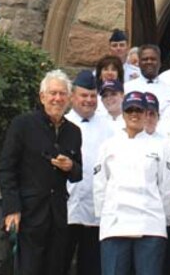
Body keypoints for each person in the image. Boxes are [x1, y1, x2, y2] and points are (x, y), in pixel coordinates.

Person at [0, 70, 82, 275]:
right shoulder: (23, 124)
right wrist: (12, 209)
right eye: (53, 93)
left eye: (62, 94)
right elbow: (6, 169)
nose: (57, 98)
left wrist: (70, 166)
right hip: (28, 215)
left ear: (69, 99)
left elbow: (78, 173)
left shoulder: (74, 132)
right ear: (42, 96)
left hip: (58, 217)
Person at [94, 91, 170, 275]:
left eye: (139, 110)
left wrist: (166, 217)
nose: (134, 114)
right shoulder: (108, 146)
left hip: (150, 224)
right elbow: (100, 185)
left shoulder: (161, 146)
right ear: (123, 114)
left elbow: (166, 186)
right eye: (130, 110)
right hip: (115, 224)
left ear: (146, 114)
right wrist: (103, 216)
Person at [65, 70, 113, 275]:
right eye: (83, 95)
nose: (89, 100)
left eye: (93, 96)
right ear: (72, 97)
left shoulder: (109, 127)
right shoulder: (62, 123)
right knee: (59, 263)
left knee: (92, 266)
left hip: (96, 211)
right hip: (67, 208)